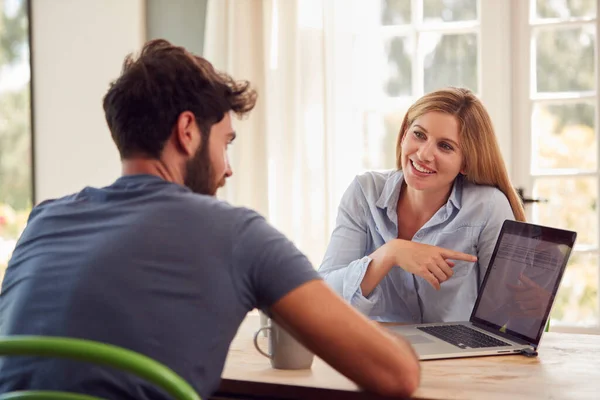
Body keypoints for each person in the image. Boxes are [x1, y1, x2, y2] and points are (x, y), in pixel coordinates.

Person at [0, 39, 419, 399]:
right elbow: (396, 375)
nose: (227, 169)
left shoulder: (45, 220)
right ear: (187, 130)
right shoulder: (237, 234)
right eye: (226, 143)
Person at [319, 87, 526, 324]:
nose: (424, 154)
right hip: (375, 349)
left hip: (457, 355)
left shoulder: (488, 206)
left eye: (445, 146)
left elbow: (507, 315)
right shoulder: (364, 192)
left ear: (466, 163)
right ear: (404, 134)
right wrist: (390, 254)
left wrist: (528, 304)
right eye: (419, 135)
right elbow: (322, 297)